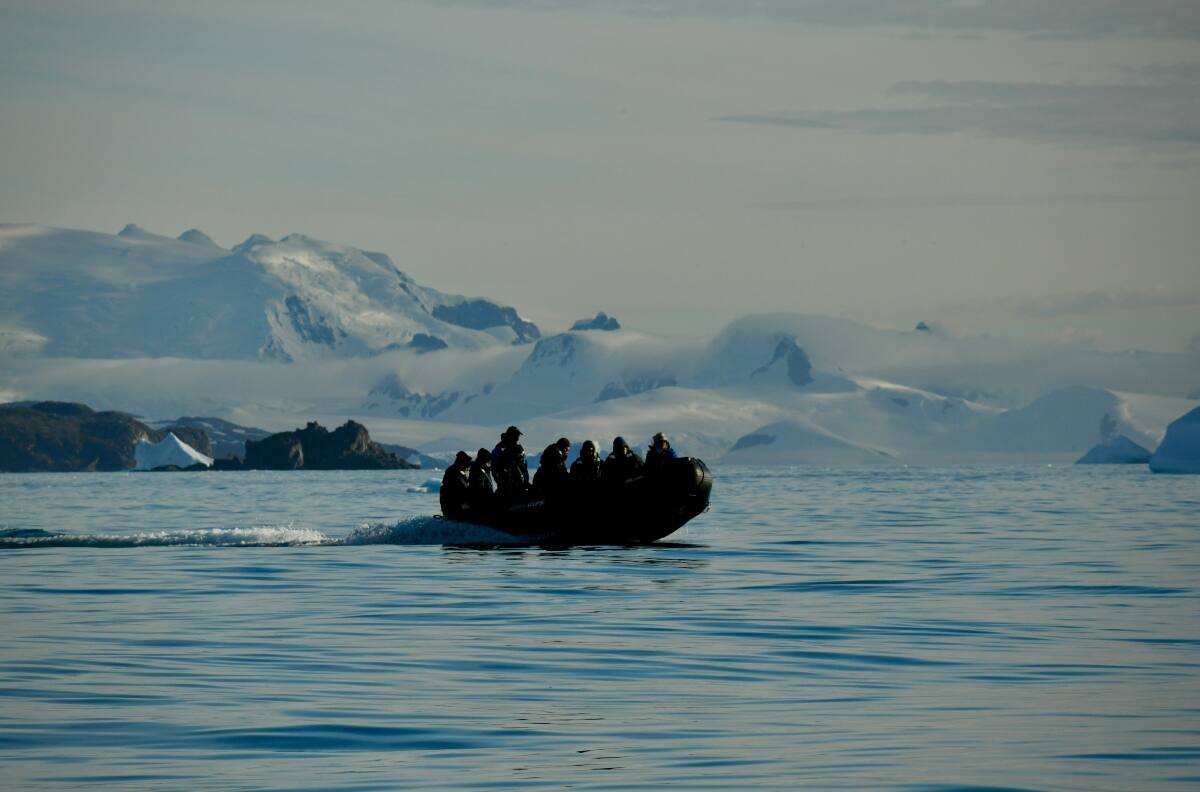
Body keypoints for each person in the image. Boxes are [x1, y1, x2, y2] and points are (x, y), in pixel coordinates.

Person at [491, 425, 530, 498]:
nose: (518, 437)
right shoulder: (500, 447)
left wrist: (526, 481)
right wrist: (500, 482)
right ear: (511, 435)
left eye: (518, 435)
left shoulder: (519, 447)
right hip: (507, 485)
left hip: (521, 484)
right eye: (516, 435)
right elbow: (494, 467)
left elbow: (524, 465)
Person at [439, 451, 473, 520]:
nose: (468, 469)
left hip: (456, 506)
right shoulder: (453, 473)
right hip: (453, 508)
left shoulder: (459, 472)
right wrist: (462, 505)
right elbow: (452, 493)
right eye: (467, 466)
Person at [468, 448, 495, 514]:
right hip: (481, 505)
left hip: (484, 503)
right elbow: (479, 490)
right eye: (488, 461)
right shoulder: (477, 470)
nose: (489, 463)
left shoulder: (483, 470)